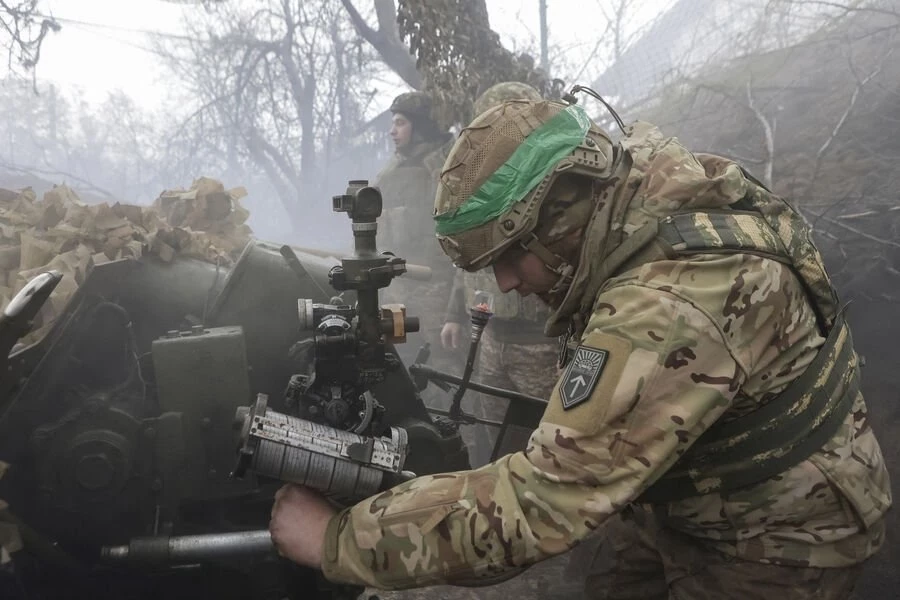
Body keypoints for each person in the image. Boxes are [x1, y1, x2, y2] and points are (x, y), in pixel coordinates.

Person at [269, 98, 891, 599]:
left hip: (779, 532)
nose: (505, 284)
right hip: (683, 489)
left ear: (560, 215)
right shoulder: (626, 190)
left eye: (510, 255)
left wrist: (336, 539)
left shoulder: (669, 305)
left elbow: (539, 503)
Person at [441, 81, 560, 467]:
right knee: (496, 438)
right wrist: (454, 314)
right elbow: (468, 258)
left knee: (549, 442)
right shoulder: (476, 185)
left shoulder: (556, 179)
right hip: (492, 337)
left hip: (541, 343)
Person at [375, 91, 456, 371]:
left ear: (420, 127)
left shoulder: (446, 170)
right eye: (393, 123)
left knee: (444, 363)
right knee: (396, 357)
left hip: (436, 286)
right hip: (396, 286)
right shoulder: (389, 172)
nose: (392, 131)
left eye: (401, 123)